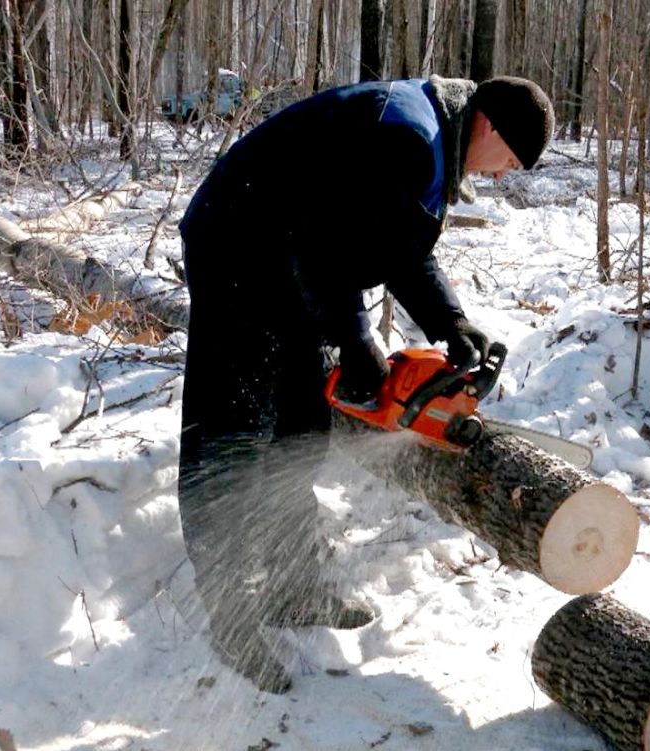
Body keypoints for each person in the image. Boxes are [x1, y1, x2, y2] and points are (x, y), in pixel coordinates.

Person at [176, 75, 554, 693]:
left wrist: (451, 323)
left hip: (288, 259)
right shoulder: (404, 132)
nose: (502, 175)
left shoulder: (431, 139)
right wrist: (356, 342)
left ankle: (291, 585)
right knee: (231, 433)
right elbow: (325, 241)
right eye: (509, 160)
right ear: (489, 125)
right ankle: (231, 611)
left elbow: (395, 241)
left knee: (302, 426)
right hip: (239, 246)